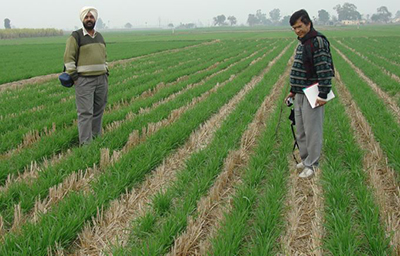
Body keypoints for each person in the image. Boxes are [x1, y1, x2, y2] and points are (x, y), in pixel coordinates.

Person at [284, 9, 335, 178]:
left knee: (312, 131)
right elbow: (301, 68)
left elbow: (324, 70)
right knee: (300, 130)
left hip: (312, 93)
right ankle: (305, 159)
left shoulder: (317, 42)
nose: (297, 31)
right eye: (294, 28)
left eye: (299, 26)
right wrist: (292, 91)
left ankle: (312, 165)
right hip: (299, 93)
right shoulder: (303, 43)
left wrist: (323, 94)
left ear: (308, 24)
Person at [63, 6, 109, 145]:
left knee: (98, 111)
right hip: (84, 80)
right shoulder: (75, 36)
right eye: (87, 17)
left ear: (95, 19)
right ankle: (86, 144)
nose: (89, 19)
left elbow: (104, 56)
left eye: (92, 17)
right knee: (85, 113)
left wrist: (106, 70)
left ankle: (96, 139)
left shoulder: (99, 36)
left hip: (101, 79)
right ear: (82, 19)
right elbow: (68, 58)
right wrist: (75, 78)